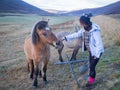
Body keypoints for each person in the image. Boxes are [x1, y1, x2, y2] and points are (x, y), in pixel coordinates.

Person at [62, 13, 104, 87]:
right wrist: (66, 37)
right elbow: (77, 34)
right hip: (91, 51)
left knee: (91, 67)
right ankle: (91, 80)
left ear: (85, 22)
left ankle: (91, 82)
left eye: (81, 23)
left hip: (97, 52)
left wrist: (96, 56)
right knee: (92, 67)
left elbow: (99, 44)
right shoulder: (85, 29)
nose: (80, 24)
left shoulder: (95, 31)